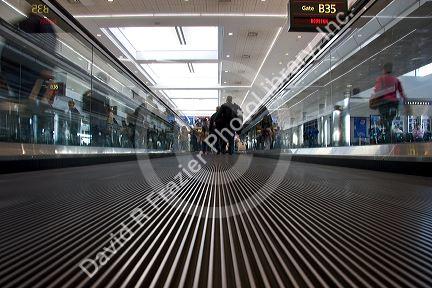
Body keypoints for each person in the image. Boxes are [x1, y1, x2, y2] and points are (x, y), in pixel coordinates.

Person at [371, 63, 408, 144]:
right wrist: (406, 105)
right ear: (391, 69)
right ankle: (392, 139)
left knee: (386, 123)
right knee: (390, 122)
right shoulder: (396, 80)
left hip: (384, 103)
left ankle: (389, 141)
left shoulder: (381, 79)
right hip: (394, 104)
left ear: (384, 70)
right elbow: (402, 93)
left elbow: (377, 91)